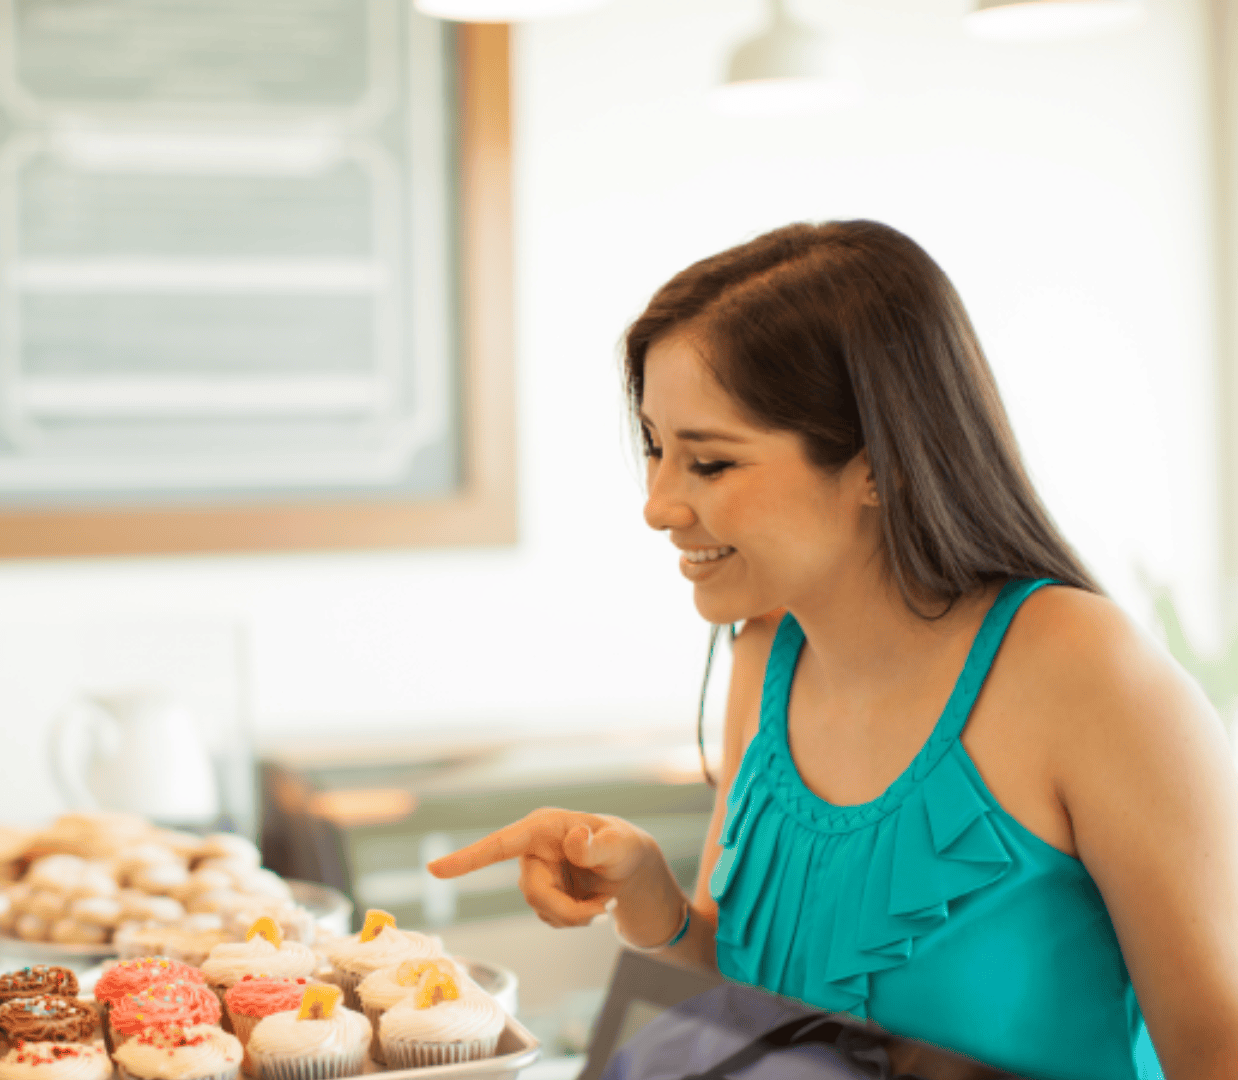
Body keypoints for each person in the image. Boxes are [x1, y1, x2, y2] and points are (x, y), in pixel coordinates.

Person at [429, 222, 1238, 1079]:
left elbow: (1217, 1051)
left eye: (708, 462)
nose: (659, 505)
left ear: (877, 464)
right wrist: (650, 900)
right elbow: (758, 1029)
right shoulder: (763, 654)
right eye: (656, 449)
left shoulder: (1085, 672)